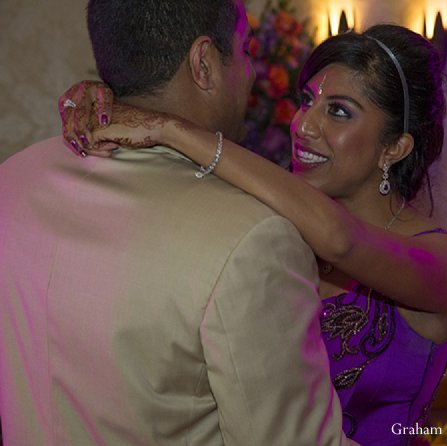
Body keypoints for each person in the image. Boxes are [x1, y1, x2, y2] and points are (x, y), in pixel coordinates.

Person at [60, 25, 447, 446]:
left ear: (394, 147)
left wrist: (169, 128)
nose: (303, 125)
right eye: (306, 100)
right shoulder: (271, 229)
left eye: (338, 111)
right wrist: (107, 100)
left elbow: (340, 240)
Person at [0, 1, 357, 445]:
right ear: (204, 63)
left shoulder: (12, 181)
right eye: (244, 50)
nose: (251, 74)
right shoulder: (252, 238)